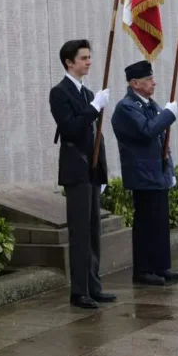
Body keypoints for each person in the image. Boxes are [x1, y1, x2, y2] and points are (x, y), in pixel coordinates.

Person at [49, 39, 117, 309]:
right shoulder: (60, 93)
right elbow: (71, 129)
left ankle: (94, 285)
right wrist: (94, 107)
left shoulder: (89, 94)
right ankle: (79, 291)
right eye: (83, 58)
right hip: (75, 170)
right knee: (79, 233)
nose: (89, 62)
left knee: (93, 232)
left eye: (89, 57)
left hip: (91, 170)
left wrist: (102, 173)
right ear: (69, 62)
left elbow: (96, 138)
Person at [110, 60, 178, 286]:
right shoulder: (126, 107)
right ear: (135, 83)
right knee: (146, 223)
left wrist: (169, 170)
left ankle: (161, 266)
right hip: (142, 174)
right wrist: (169, 114)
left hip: (157, 173)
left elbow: (163, 141)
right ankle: (143, 270)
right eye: (149, 79)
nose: (154, 83)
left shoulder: (149, 104)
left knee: (160, 222)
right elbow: (148, 130)